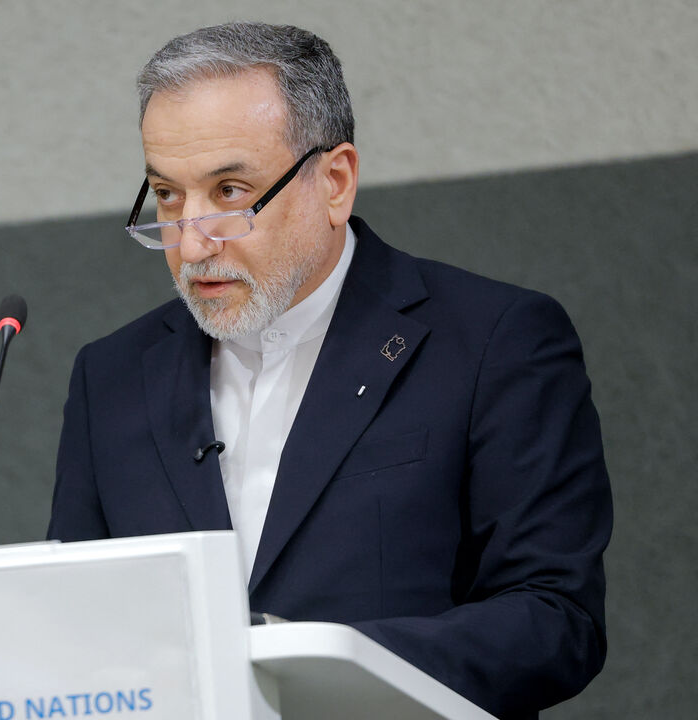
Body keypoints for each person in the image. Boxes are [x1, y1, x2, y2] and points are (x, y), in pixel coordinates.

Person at [47, 22, 611, 720]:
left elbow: (554, 621)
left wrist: (308, 660)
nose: (191, 241)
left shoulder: (494, 340)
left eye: (229, 191)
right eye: (167, 195)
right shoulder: (112, 378)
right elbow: (71, 629)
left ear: (335, 181)